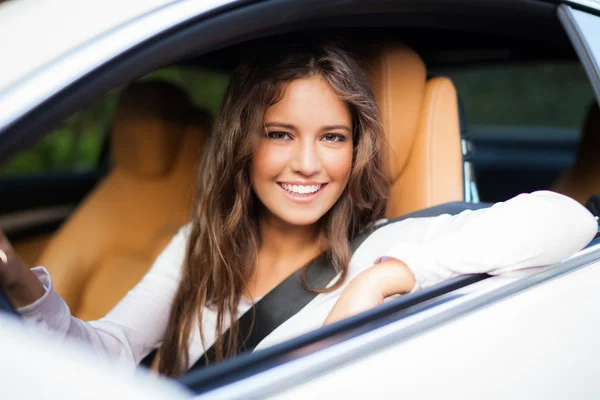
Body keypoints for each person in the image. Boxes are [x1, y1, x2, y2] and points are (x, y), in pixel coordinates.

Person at [0, 42, 597, 378]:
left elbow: (568, 222)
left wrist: (381, 280)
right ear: (243, 143)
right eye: (281, 134)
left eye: (333, 138)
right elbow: (104, 354)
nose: (308, 164)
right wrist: (19, 281)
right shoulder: (199, 244)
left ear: (356, 149)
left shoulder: (381, 248)